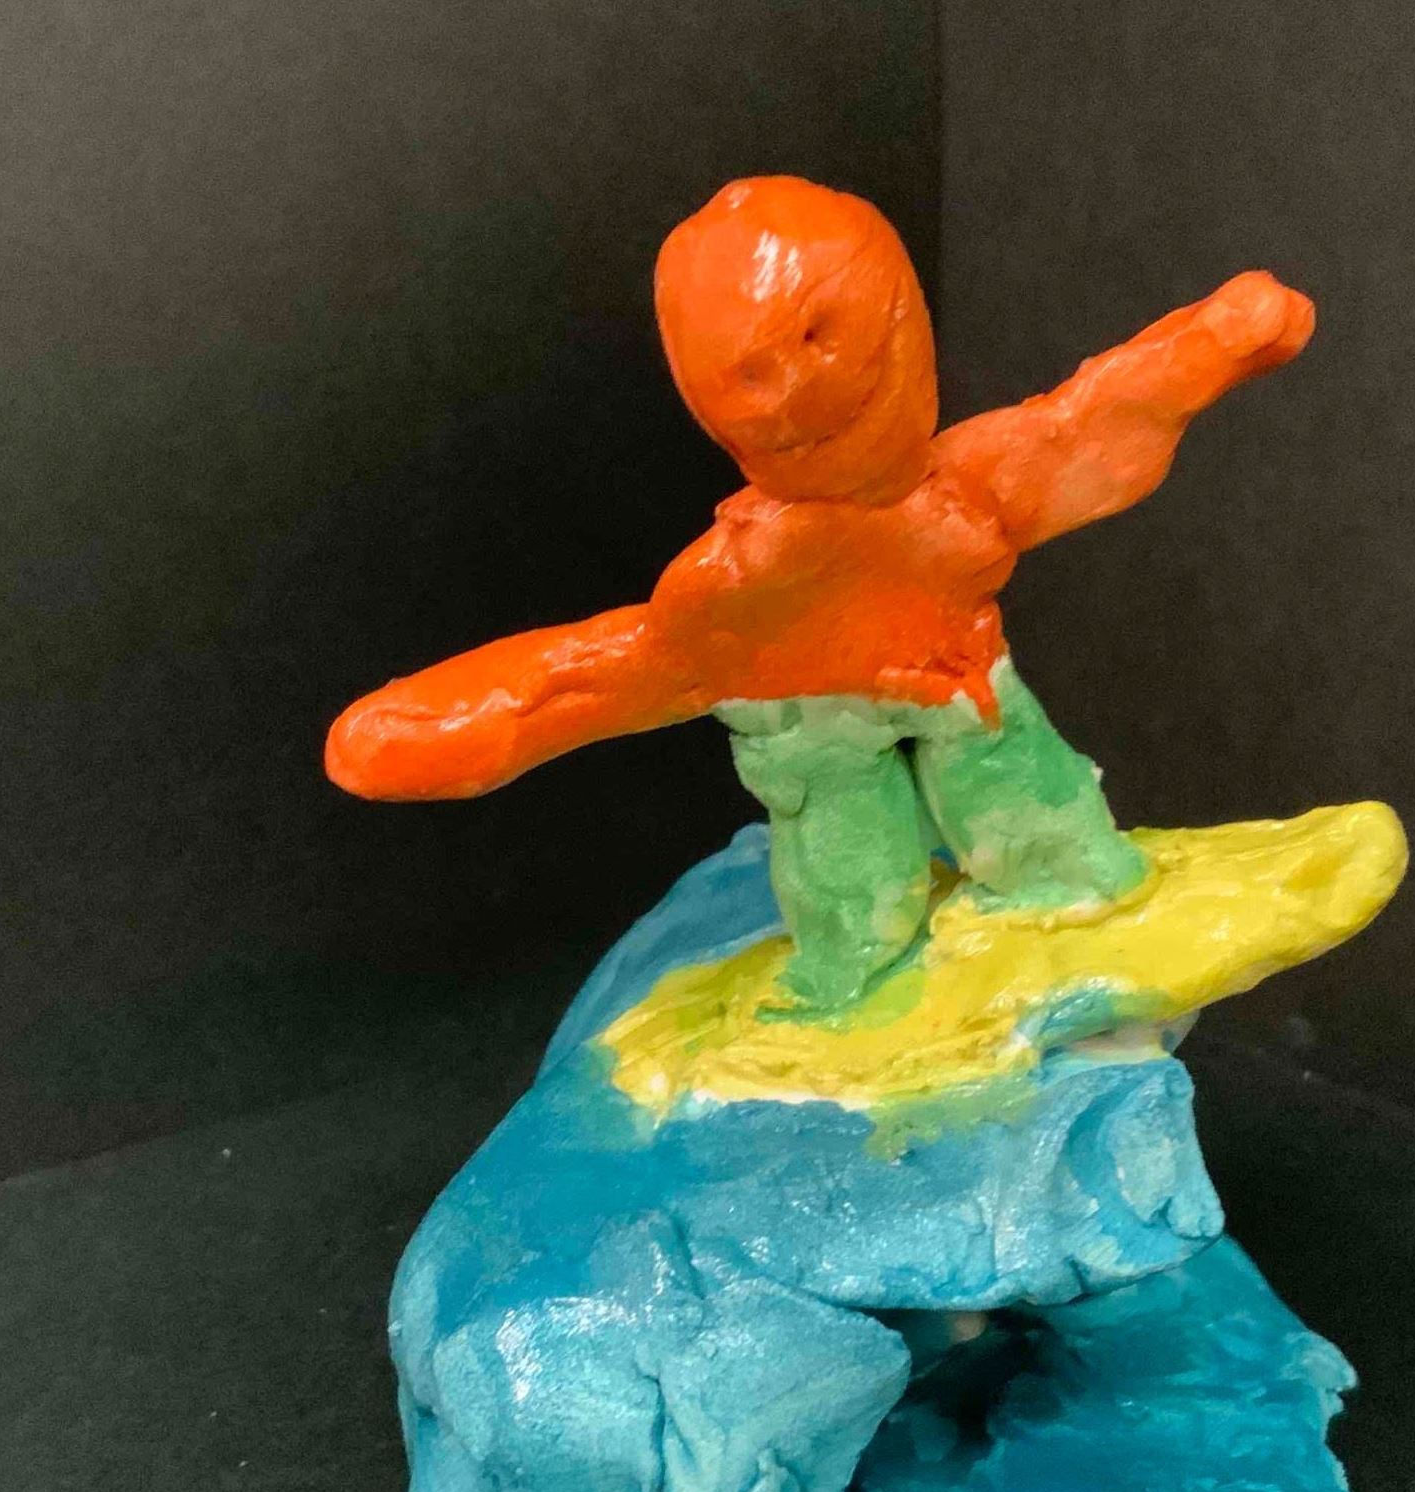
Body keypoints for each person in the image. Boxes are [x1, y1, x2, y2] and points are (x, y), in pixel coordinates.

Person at [327, 176, 1314, 1011]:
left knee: (1027, 807)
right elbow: (619, 669)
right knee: (851, 872)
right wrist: (467, 720)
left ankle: (1069, 899)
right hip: (805, 715)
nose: (798, 384)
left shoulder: (965, 489)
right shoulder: (739, 577)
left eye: (824, 340)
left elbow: (1088, 427)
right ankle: (849, 987)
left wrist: (1210, 349)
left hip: (958, 678)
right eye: (761, 372)